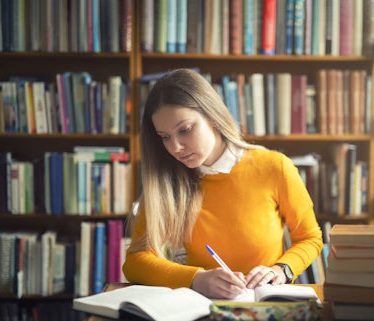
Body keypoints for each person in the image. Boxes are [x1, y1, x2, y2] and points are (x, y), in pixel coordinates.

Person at [122, 68, 323, 299]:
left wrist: (282, 270)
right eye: (165, 137)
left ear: (213, 118)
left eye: (185, 130)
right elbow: (135, 262)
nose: (175, 147)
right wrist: (195, 279)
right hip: (199, 306)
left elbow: (310, 237)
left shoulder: (274, 167)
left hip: (266, 304)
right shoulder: (166, 181)